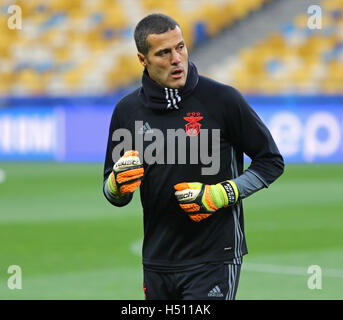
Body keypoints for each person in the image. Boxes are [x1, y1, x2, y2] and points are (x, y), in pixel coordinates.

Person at [103, 13, 284, 300]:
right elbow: (113, 191)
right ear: (143, 59)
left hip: (214, 257)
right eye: (164, 52)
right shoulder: (127, 111)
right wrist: (117, 185)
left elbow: (271, 161)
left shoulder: (223, 100)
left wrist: (222, 194)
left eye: (181, 47)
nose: (177, 59)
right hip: (157, 260)